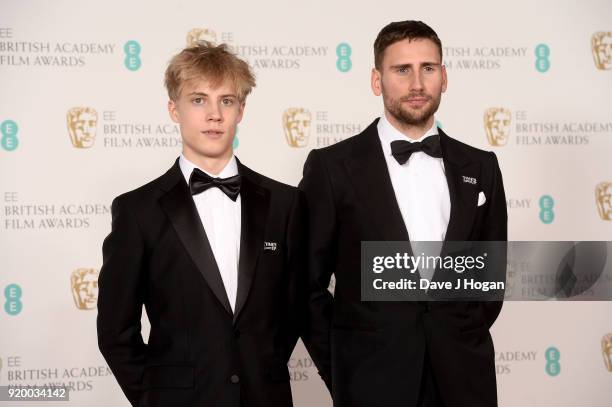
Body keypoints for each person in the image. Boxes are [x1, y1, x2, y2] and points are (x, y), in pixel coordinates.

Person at [299, 20, 507, 407]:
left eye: (428, 68)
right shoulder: (331, 167)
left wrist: (459, 336)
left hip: (464, 380)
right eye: (401, 70)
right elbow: (305, 285)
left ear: (444, 77)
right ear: (377, 81)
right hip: (370, 381)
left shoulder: (481, 166)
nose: (416, 83)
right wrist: (344, 365)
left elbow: (489, 278)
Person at [97, 41, 306, 407]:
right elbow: (115, 332)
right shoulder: (137, 211)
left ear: (241, 110)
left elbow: (293, 312)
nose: (214, 114)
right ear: (173, 109)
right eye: (198, 100)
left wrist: (262, 368)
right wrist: (155, 397)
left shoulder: (285, 204)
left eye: (226, 101)